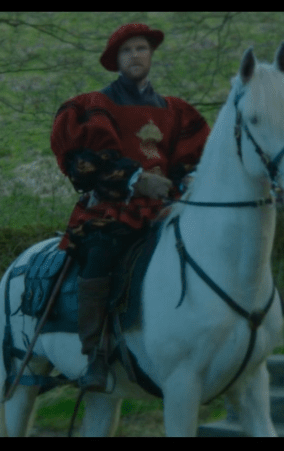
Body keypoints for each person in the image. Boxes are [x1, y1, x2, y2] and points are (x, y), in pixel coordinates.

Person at [50, 23, 210, 391]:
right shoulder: (95, 106)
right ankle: (95, 354)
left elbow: (190, 161)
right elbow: (84, 164)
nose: (135, 55)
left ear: (151, 55)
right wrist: (136, 179)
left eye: (141, 48)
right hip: (112, 208)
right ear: (116, 60)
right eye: (126, 50)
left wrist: (185, 183)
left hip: (168, 207)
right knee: (101, 253)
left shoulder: (177, 111)